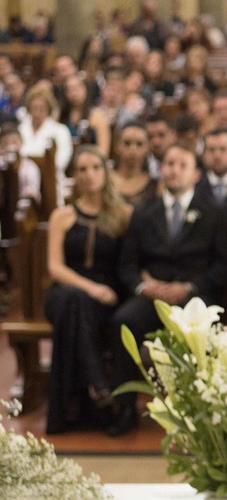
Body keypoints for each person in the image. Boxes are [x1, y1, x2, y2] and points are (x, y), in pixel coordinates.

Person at [110, 144, 227, 435]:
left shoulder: (213, 212)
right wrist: (145, 287)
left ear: (196, 174)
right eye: (169, 164)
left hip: (194, 296)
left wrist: (189, 287)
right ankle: (125, 409)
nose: (174, 170)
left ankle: (207, 413)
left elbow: (223, 266)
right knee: (123, 321)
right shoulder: (143, 212)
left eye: (182, 165)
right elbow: (127, 265)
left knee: (205, 329)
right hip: (153, 297)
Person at [44, 147, 131, 433]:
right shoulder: (62, 216)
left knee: (75, 310)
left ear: (106, 172)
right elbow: (55, 267)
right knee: (73, 300)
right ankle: (97, 382)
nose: (89, 174)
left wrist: (101, 291)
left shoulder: (123, 215)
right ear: (74, 175)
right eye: (82, 169)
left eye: (95, 167)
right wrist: (90, 288)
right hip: (67, 290)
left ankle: (70, 404)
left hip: (106, 297)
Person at [111, 122, 157, 207]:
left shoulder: (156, 187)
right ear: (117, 146)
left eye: (139, 144)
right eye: (127, 143)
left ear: (148, 148)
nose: (133, 150)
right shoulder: (103, 180)